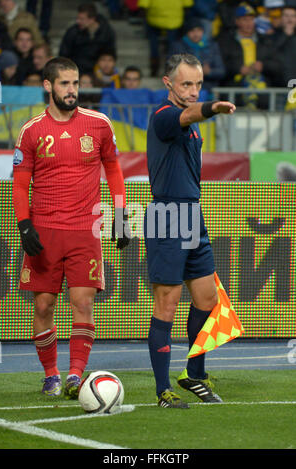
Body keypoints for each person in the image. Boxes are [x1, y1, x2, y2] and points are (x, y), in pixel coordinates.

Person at [12, 56, 131, 399]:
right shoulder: (32, 130)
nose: (72, 90)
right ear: (48, 86)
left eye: (76, 83)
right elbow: (21, 185)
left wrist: (120, 215)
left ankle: (76, 375)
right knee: (43, 306)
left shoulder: (99, 124)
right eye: (64, 83)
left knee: (83, 302)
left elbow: (114, 169)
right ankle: (50, 374)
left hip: (84, 231)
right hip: (45, 231)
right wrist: (24, 225)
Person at [143, 53, 236, 408]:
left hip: (191, 215)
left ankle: (193, 375)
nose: (194, 91)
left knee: (208, 300)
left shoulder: (189, 122)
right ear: (168, 83)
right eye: (186, 84)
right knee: (167, 303)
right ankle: (162, 391)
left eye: (198, 84)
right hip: (167, 215)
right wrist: (213, 106)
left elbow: (192, 115)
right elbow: (189, 114)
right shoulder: (166, 116)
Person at [168, 17, 225, 94]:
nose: (196, 34)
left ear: (203, 31)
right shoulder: (178, 47)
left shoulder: (212, 46)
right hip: (184, 92)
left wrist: (209, 72)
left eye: (199, 30)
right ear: (186, 32)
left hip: (208, 92)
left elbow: (221, 71)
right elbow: (171, 70)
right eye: (192, 31)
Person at [137, 0, 194, 77]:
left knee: (154, 43)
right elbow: (188, 3)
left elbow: (143, 4)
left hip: (155, 18)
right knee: (172, 46)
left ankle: (154, 64)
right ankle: (170, 68)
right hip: (174, 19)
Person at [59, 2, 116, 75]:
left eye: (82, 19)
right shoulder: (72, 32)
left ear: (92, 19)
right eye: (78, 18)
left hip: (98, 73)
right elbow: (63, 55)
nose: (78, 21)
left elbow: (111, 54)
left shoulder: (107, 33)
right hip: (76, 72)